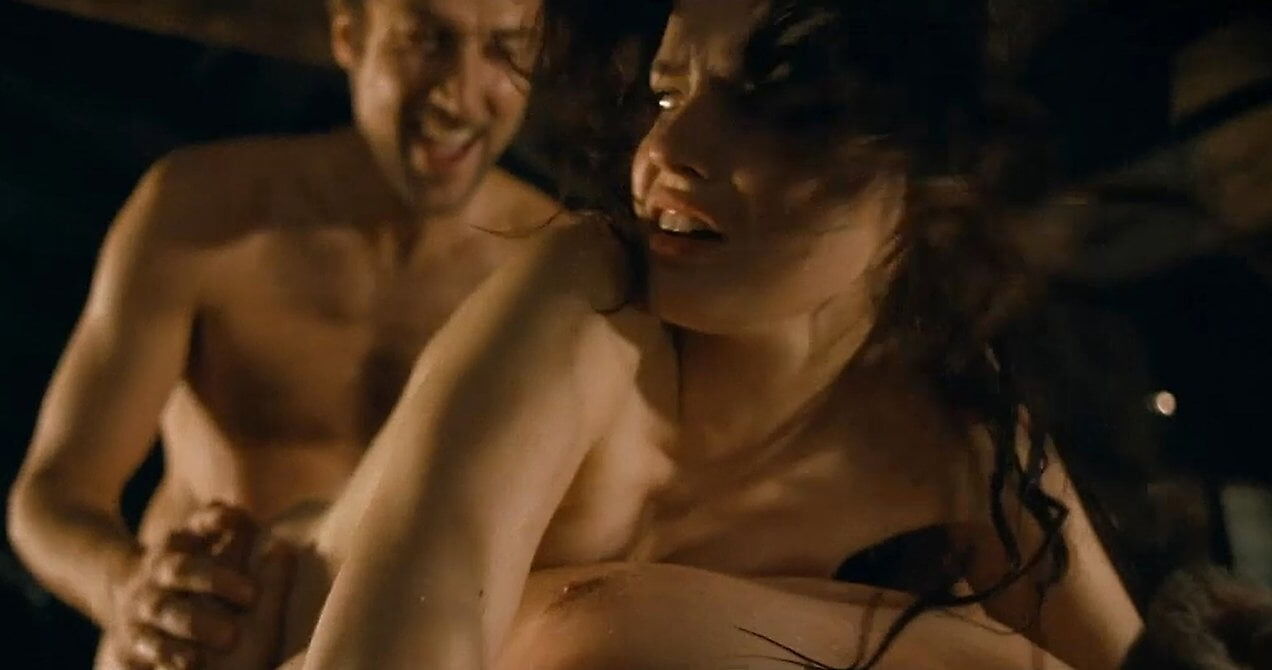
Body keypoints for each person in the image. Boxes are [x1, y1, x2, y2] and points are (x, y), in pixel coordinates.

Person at [202, 0, 1148, 668]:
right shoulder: (588, 298)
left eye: (769, 104)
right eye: (665, 96)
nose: (663, 152)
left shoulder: (950, 435)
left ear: (924, 168)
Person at [4, 0, 561, 667]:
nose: (460, 94)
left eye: (505, 47)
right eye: (425, 40)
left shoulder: (552, 274)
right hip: (195, 650)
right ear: (350, 36)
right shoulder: (201, 212)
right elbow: (53, 496)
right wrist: (129, 590)